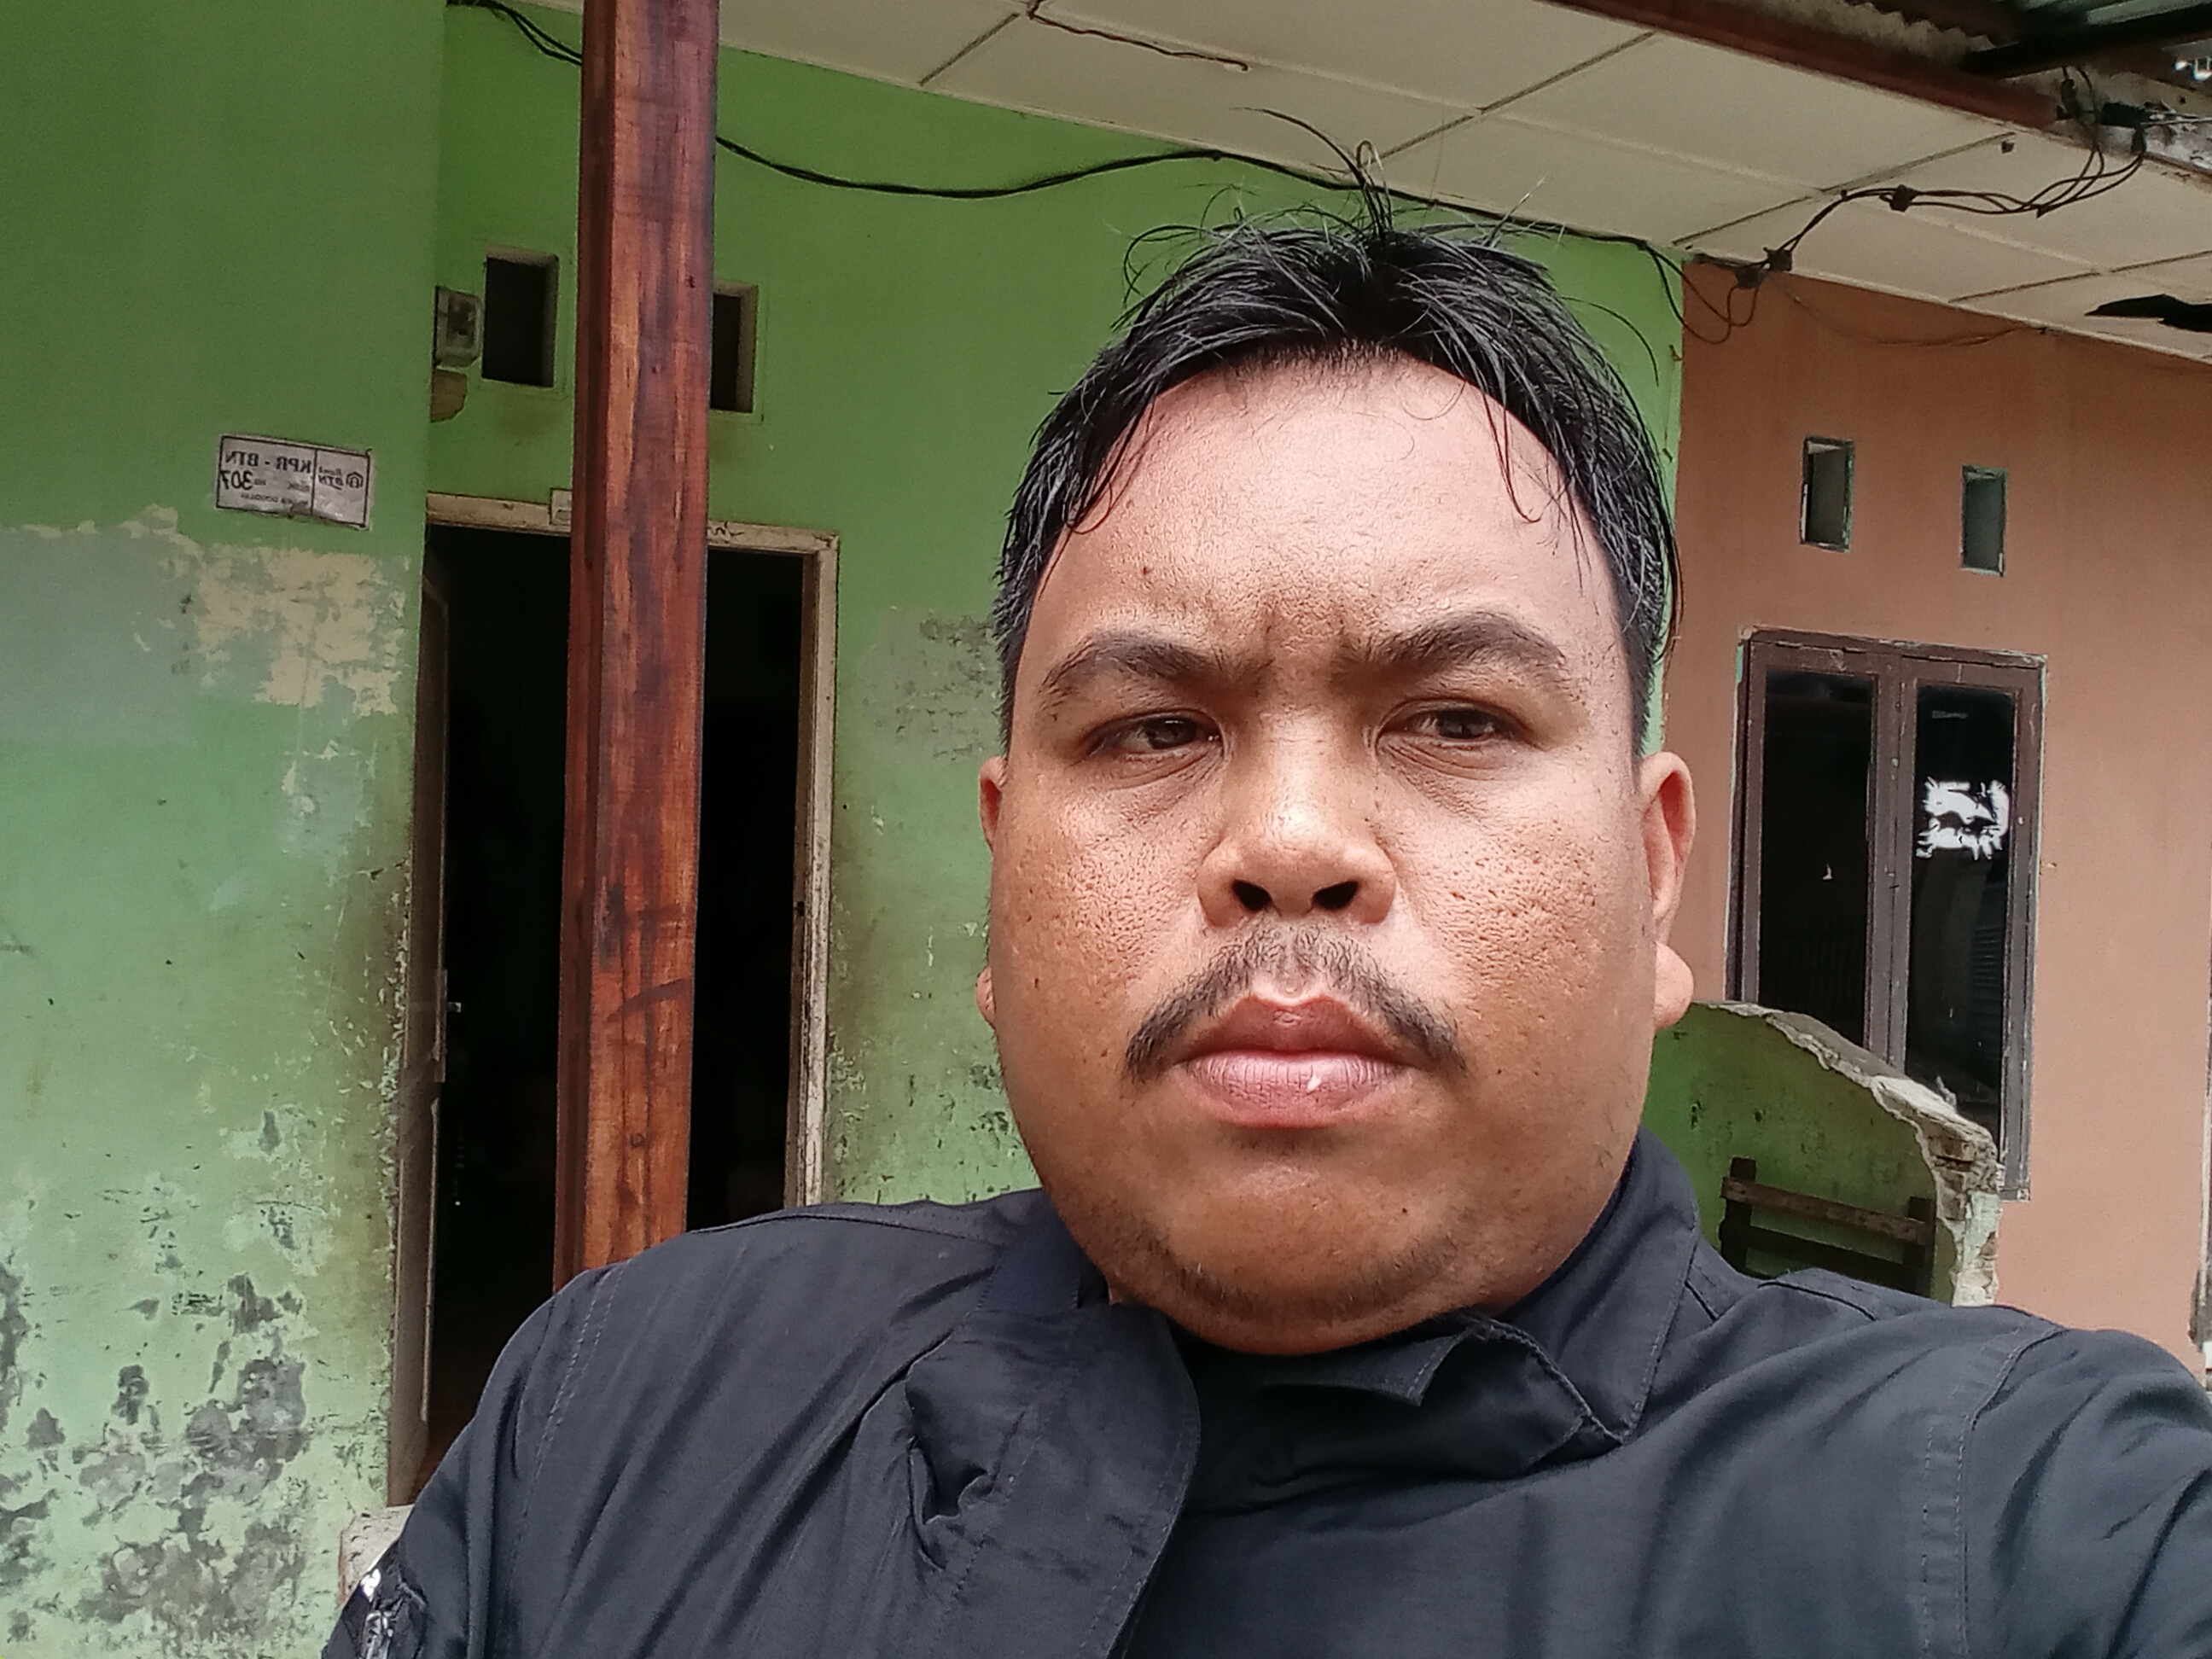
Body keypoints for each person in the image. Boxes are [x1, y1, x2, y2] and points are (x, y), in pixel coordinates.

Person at [330, 209, 2212, 1659]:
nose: (1290, 844)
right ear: (1000, 872)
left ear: (1654, 880)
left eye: (1454, 718)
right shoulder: (627, 1410)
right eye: (1153, 730)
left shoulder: (2038, 1536)